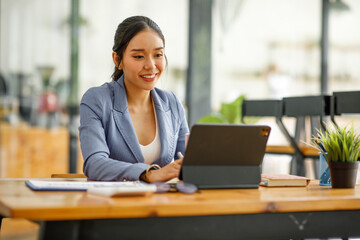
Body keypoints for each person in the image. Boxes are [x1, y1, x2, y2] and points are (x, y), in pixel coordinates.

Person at [79, 16, 189, 183]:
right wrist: (148, 173)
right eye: (139, 56)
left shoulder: (172, 102)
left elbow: (188, 161)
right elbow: (94, 164)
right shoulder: (97, 100)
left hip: (161, 204)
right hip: (114, 205)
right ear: (118, 60)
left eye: (158, 54)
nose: (151, 65)